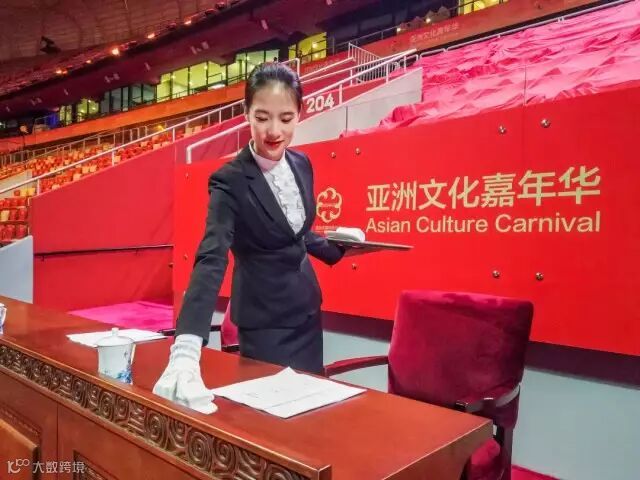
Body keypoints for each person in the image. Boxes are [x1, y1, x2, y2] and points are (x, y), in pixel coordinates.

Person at [153, 62, 345, 413]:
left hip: (307, 311)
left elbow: (294, 232)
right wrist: (186, 349)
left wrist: (340, 248)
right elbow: (211, 257)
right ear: (246, 113)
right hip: (265, 322)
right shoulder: (230, 180)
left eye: (286, 118)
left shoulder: (302, 163)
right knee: (272, 421)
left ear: (299, 114)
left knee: (311, 416)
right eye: (262, 117)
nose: (274, 131)